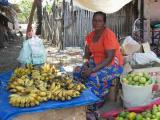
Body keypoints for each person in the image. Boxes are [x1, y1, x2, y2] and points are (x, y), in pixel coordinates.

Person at [73, 11, 123, 103]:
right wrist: (86, 64)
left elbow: (109, 58)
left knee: (93, 77)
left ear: (104, 23)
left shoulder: (108, 35)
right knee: (77, 71)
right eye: (94, 20)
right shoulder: (90, 36)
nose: (96, 23)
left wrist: (92, 70)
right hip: (97, 62)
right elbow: (86, 55)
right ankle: (81, 96)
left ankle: (96, 101)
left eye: (99, 21)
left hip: (113, 65)